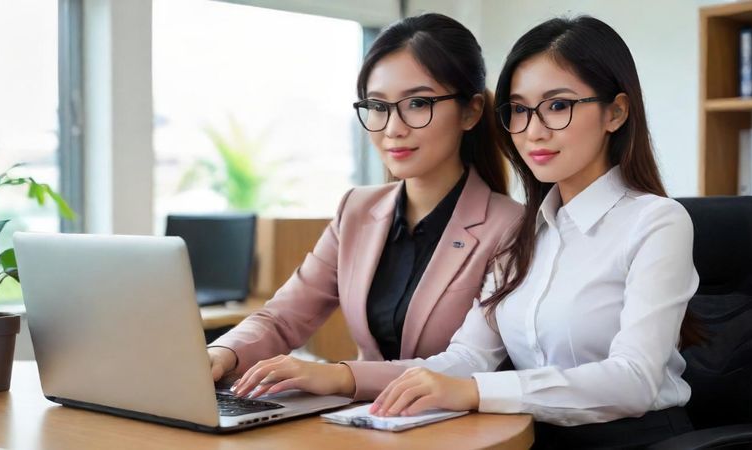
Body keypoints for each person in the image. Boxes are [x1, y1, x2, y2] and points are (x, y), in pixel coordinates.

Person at [244, 15, 701, 449]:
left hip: (633, 440)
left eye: (557, 106)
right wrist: (342, 377)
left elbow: (634, 380)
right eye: (519, 111)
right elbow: (466, 357)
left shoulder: (656, 221)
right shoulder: (528, 233)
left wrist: (475, 392)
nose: (533, 131)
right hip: (527, 439)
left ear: (615, 112)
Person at [209, 13, 522, 401]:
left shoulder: (510, 227)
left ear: (471, 111)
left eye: (417, 103)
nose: (393, 127)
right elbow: (285, 316)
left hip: (458, 431)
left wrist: (341, 376)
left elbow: (471, 362)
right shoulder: (356, 209)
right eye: (378, 106)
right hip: (363, 424)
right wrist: (222, 353)